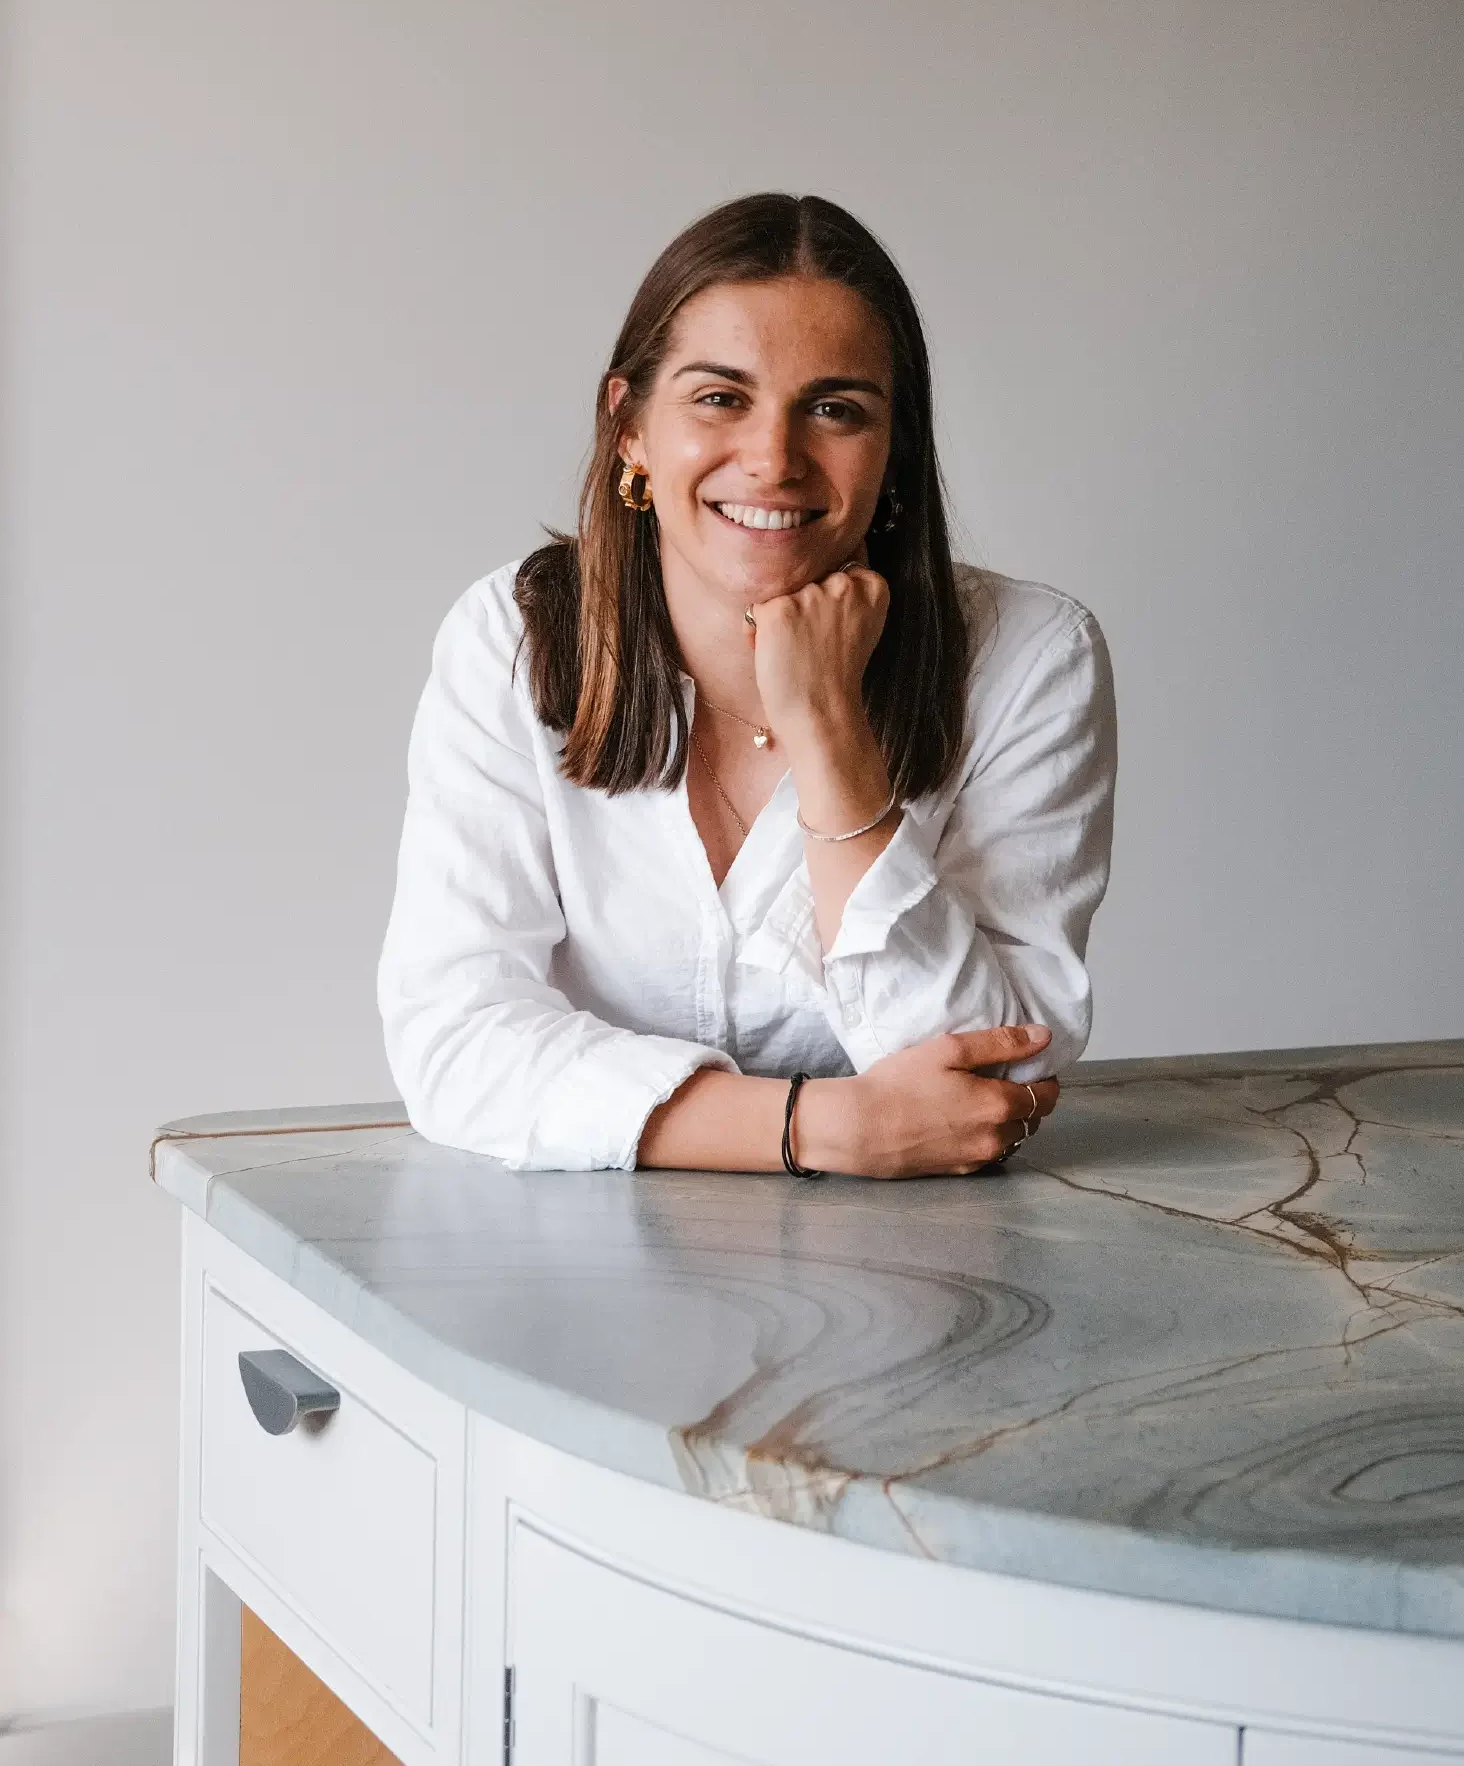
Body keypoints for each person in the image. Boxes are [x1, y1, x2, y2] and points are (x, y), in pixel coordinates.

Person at [378, 194, 1115, 1178]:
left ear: (893, 447)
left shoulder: (1029, 659)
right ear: (629, 426)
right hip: (568, 1271)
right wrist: (817, 1129)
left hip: (924, 1276)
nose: (772, 458)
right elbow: (453, 1042)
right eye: (720, 397)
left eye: (834, 408)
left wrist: (830, 740)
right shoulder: (509, 642)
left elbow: (990, 1073)